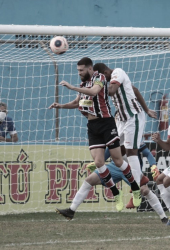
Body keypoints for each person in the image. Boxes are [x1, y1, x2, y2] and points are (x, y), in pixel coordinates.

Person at [49, 57, 141, 211]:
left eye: (81, 70)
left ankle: (136, 189)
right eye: (78, 70)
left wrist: (72, 87)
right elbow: (77, 102)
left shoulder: (100, 78)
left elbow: (94, 91)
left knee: (118, 161)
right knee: (99, 163)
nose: (79, 73)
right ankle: (115, 192)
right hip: (92, 126)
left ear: (90, 69)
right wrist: (61, 105)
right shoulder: (83, 84)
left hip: (106, 124)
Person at [93, 63, 157, 208]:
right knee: (115, 147)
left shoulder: (117, 72)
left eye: (100, 77)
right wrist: (147, 109)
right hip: (122, 120)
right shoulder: (115, 80)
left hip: (132, 117)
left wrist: (96, 88)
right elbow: (134, 90)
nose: (100, 80)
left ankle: (137, 188)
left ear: (104, 72)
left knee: (130, 151)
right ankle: (140, 178)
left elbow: (112, 90)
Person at [56, 160, 168, 223]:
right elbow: (108, 149)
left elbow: (144, 150)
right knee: (89, 180)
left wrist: (153, 164)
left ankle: (163, 217)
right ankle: (71, 210)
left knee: (144, 190)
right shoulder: (114, 129)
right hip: (114, 166)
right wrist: (98, 162)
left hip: (129, 167)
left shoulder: (132, 128)